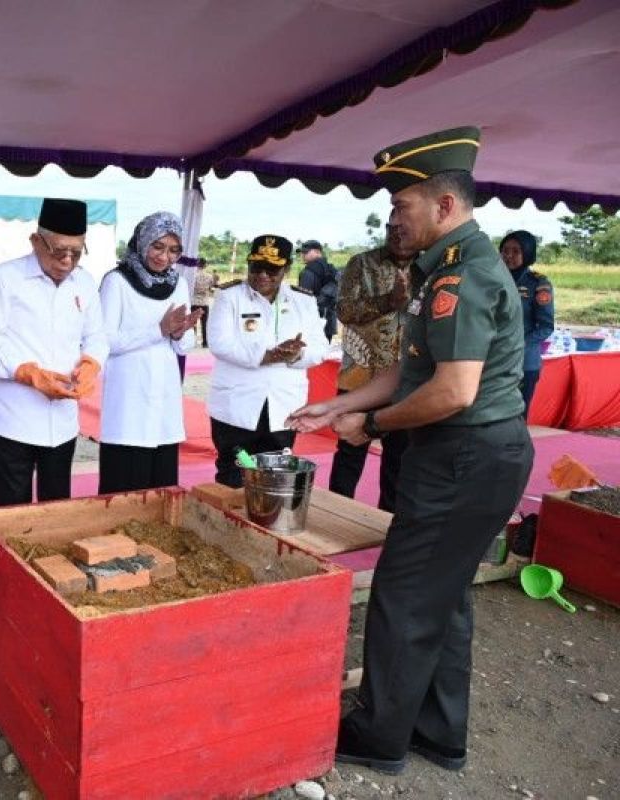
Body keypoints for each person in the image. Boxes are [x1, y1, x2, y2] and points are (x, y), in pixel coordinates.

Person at [287, 126, 534, 775]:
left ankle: (377, 735)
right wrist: (340, 405)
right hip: (471, 453)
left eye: (403, 206)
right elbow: (414, 370)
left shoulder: (465, 277)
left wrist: (374, 429)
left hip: (463, 454)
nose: (394, 218)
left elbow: (453, 391)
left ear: (444, 206)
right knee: (444, 596)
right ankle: (437, 731)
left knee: (403, 593)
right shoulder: (445, 271)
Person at [0, 198, 108, 506]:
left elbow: (97, 335)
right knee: (12, 508)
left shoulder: (84, 282)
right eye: (59, 251)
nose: (67, 261)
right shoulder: (4, 278)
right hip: (13, 416)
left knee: (57, 505)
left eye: (76, 252)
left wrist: (91, 363)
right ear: (36, 241)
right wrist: (28, 372)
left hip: (62, 420)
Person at [206, 235, 328, 487]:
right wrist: (266, 355)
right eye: (256, 267)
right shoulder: (230, 296)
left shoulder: (303, 300)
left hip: (283, 407)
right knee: (233, 474)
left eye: (272, 269)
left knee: (276, 479)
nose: (262, 275)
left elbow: (319, 348)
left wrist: (297, 355)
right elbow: (220, 343)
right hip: (236, 406)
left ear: (287, 269)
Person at [97, 212, 200, 494]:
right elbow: (104, 341)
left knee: (161, 491)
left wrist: (180, 332)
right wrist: (159, 330)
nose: (164, 257)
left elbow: (184, 345)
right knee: (124, 492)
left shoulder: (177, 284)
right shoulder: (116, 281)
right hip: (127, 402)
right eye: (158, 246)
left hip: (164, 400)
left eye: (173, 250)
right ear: (143, 242)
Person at [327, 223, 415, 510]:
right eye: (395, 228)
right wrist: (389, 301)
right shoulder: (361, 263)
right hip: (360, 376)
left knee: (400, 458)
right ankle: (338, 514)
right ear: (387, 229)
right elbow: (344, 311)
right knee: (350, 451)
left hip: (408, 379)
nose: (400, 234)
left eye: (407, 228)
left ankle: (387, 523)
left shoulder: (431, 267)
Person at [500, 230, 554, 415]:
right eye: (505, 250)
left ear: (528, 253)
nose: (508, 256)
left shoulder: (538, 283)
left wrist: (519, 344)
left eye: (516, 251)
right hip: (493, 359)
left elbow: (546, 326)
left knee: (517, 416)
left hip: (523, 362)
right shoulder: (492, 279)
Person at [298, 240, 340, 341]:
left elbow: (303, 300)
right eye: (302, 252)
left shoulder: (308, 272)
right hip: (329, 321)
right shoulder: (332, 269)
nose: (303, 255)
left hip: (312, 322)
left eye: (306, 252)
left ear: (318, 252)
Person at [190, 258, 215, 347]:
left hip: (194, 301)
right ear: (205, 265)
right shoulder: (209, 276)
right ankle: (205, 342)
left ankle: (193, 342)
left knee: (193, 322)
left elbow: (190, 287)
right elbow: (211, 287)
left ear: (197, 265)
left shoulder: (193, 275)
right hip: (204, 302)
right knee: (204, 323)